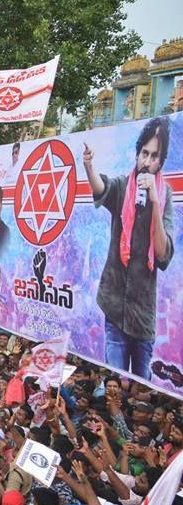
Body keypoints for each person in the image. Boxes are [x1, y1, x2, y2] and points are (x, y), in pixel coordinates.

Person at [84, 117, 174, 378]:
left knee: (140, 388)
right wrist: (89, 168)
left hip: (142, 315)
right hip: (114, 306)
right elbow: (103, 189)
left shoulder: (164, 197)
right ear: (137, 153)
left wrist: (155, 204)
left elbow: (162, 254)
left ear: (161, 161)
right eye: (145, 153)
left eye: (154, 156)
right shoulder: (124, 186)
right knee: (116, 382)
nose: (147, 161)